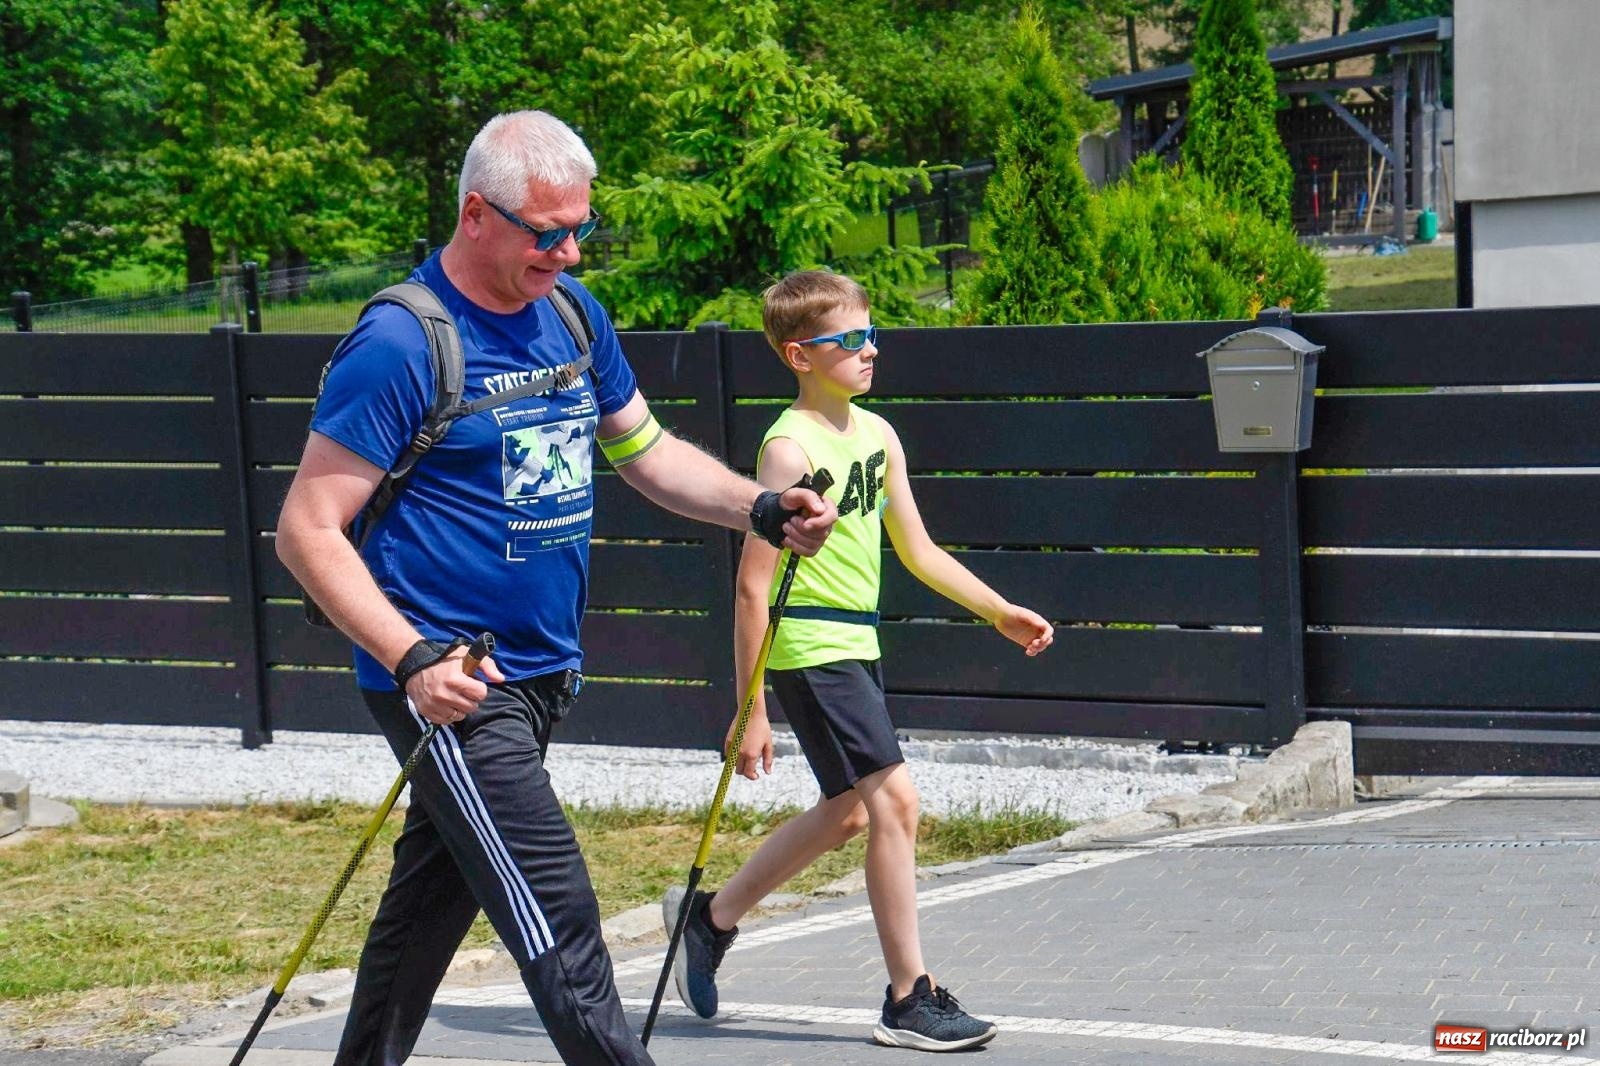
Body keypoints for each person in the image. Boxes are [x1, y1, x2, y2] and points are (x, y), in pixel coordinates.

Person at [275, 111, 836, 1066]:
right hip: (455, 688)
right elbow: (307, 529)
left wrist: (761, 508)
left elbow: (647, 454)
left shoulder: (573, 316)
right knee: (558, 913)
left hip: (543, 676)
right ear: (475, 215)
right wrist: (410, 658)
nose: (569, 252)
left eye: (580, 229)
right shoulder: (404, 343)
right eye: (547, 233)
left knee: (426, 912)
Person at [663, 270, 1054, 1053]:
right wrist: (750, 713)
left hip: (858, 641)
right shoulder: (787, 449)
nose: (869, 349)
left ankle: (708, 920)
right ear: (800, 354)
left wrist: (998, 611)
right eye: (850, 340)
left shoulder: (878, 435)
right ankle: (909, 998)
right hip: (810, 644)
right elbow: (751, 589)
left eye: (871, 334)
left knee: (848, 812)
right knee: (896, 804)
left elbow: (919, 550)